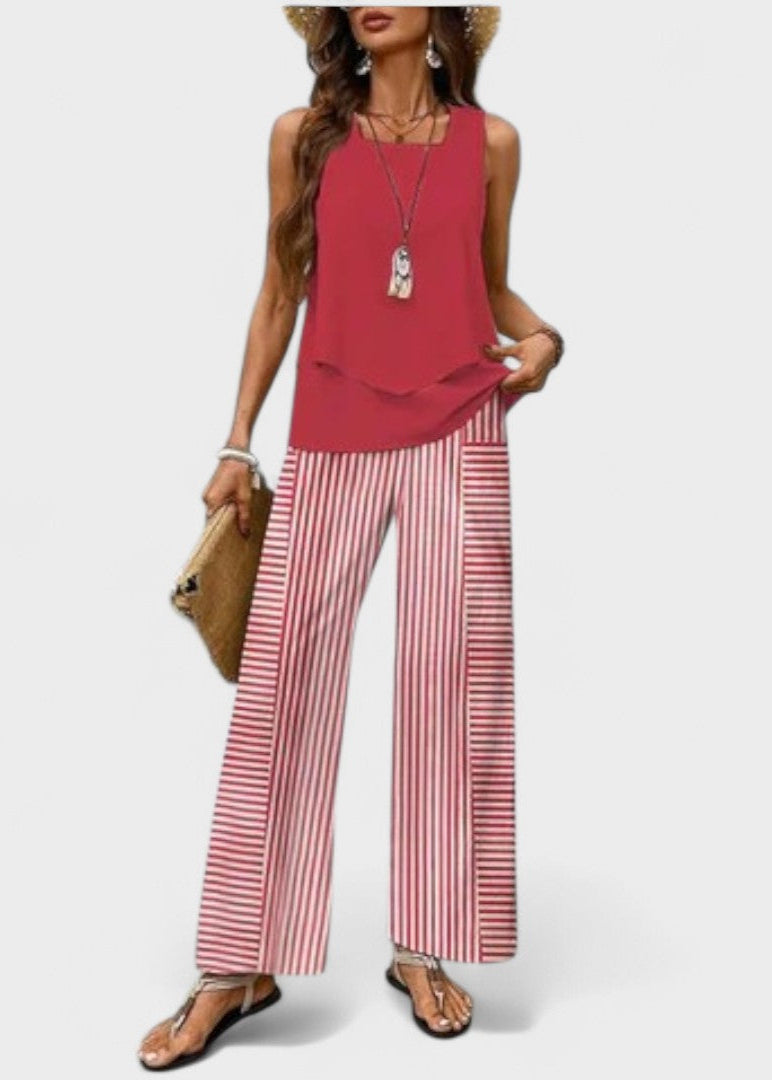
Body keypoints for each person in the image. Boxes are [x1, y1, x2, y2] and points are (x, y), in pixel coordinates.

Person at [137, 5, 564, 1067]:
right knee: (281, 685)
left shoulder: (491, 143)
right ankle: (236, 963)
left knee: (450, 685)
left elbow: (489, 285)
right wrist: (236, 443)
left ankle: (423, 945)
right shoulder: (303, 136)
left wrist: (543, 337)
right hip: (331, 428)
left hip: (461, 429)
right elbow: (279, 289)